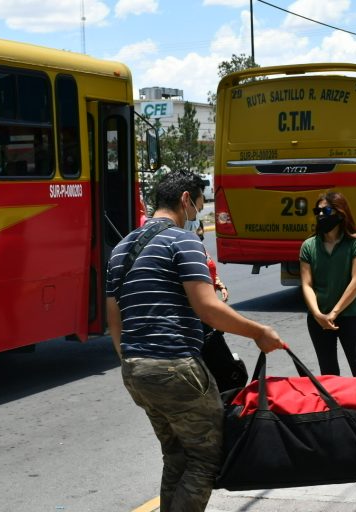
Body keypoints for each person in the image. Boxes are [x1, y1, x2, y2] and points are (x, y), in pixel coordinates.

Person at [105, 170, 285, 512]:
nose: (197, 216)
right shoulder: (183, 240)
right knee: (206, 458)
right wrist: (259, 333)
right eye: (199, 206)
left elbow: (115, 319)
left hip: (135, 369)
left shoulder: (122, 248)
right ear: (186, 199)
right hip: (176, 367)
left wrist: (135, 362)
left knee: (175, 456)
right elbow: (207, 308)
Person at [299, 190, 356, 449]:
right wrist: (318, 314)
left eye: (326, 211)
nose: (320, 216)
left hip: (349, 317)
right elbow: (306, 284)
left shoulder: (355, 243)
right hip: (318, 320)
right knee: (329, 376)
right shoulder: (309, 246)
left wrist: (335, 312)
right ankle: (338, 428)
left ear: (340, 214)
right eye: (317, 212)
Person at [195, 220, 228, 302]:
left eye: (199, 229)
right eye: (194, 231)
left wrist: (221, 287)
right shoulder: (190, 254)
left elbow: (211, 271)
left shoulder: (203, 250)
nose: (197, 233)